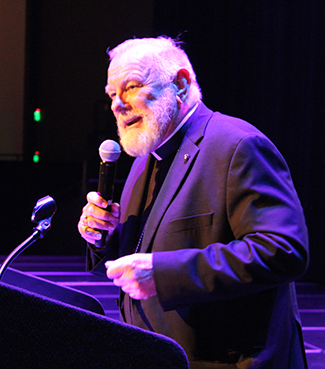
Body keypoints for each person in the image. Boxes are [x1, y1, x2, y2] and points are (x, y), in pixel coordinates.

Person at [78, 36, 309, 369]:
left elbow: (285, 250)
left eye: (130, 87)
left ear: (181, 85)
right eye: (112, 94)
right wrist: (103, 237)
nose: (117, 104)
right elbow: (140, 256)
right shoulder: (144, 160)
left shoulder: (237, 145)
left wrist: (164, 272)